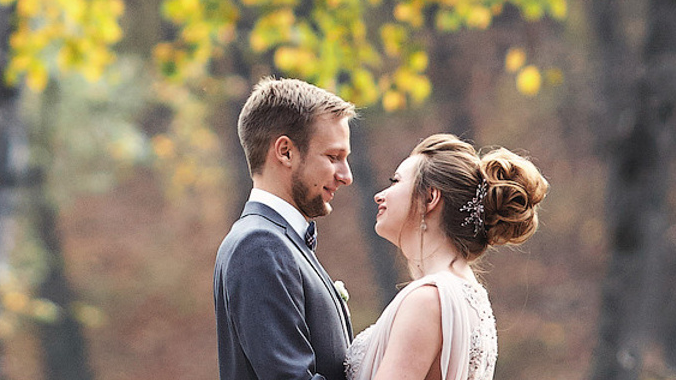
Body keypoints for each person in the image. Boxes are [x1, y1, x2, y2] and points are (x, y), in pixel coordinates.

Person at [347, 134, 550, 380]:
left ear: (430, 198)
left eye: (395, 181)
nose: (380, 195)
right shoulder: (468, 294)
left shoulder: (428, 300)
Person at [214, 77, 359, 380]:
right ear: (285, 152)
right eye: (334, 157)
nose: (346, 176)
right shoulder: (259, 246)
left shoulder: (279, 242)